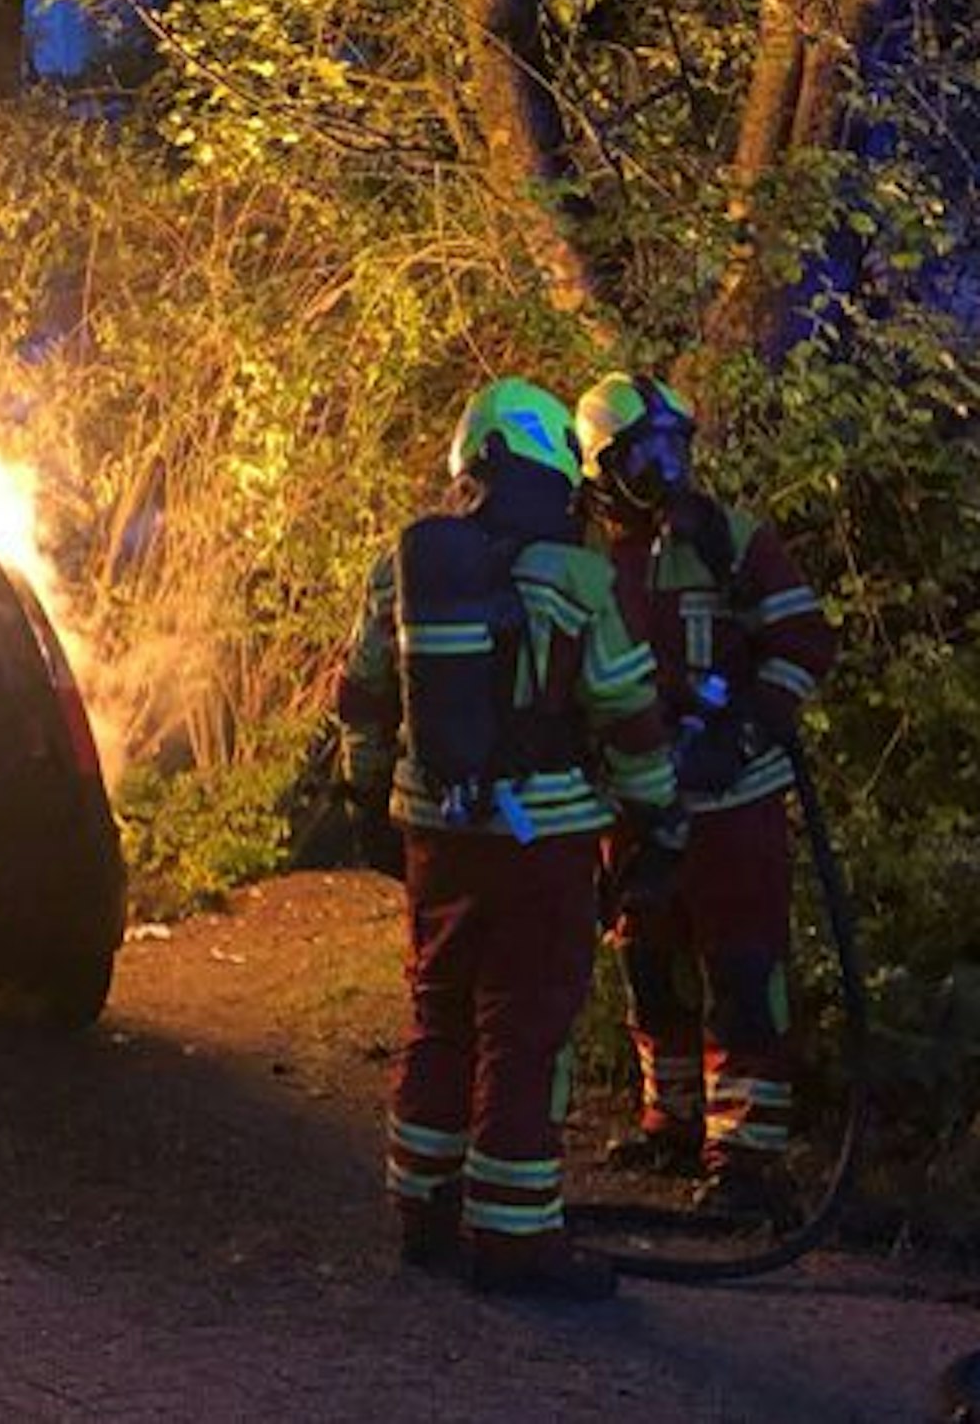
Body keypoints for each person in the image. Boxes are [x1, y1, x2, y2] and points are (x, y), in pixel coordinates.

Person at [338, 377, 685, 1301]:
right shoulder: (577, 575)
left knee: (440, 1012)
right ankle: (515, 1242)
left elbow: (364, 698)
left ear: (471, 467)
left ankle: (422, 1211)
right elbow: (625, 709)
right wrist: (656, 815)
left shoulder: (401, 569)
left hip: (435, 833)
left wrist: (374, 799)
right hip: (547, 840)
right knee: (524, 1031)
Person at [572, 373, 836, 1217]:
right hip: (636, 806)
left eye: (675, 446)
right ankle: (673, 1120)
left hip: (733, 804)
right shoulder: (582, 558)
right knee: (649, 963)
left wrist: (747, 728)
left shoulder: (731, 540)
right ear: (599, 465)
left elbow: (801, 641)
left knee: (742, 970)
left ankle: (746, 1159)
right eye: (644, 451)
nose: (667, 467)